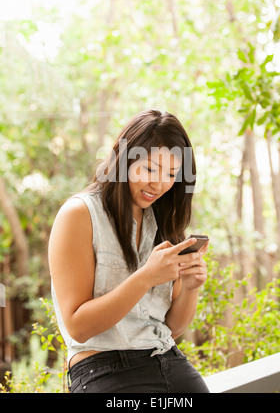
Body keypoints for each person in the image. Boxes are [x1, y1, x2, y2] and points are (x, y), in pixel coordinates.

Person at [48, 109, 210, 393]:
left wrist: (190, 287)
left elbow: (172, 329)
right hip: (104, 369)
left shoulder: (162, 222)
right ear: (124, 160)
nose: (158, 184)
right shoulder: (79, 214)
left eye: (171, 174)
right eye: (149, 169)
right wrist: (146, 277)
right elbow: (78, 326)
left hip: (168, 362)